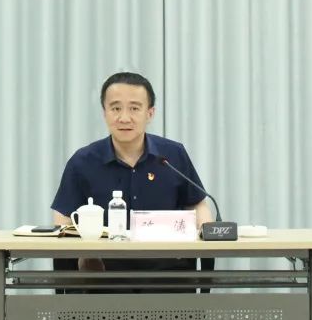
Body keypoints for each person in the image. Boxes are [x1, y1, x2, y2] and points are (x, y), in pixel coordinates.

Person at [51, 71, 213, 275]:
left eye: (134, 108)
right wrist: (84, 256)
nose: (124, 118)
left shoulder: (173, 155)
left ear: (150, 113)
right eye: (116, 108)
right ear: (104, 113)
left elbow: (197, 204)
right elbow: (64, 219)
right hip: (103, 276)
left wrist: (206, 231)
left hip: (169, 273)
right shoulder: (83, 161)